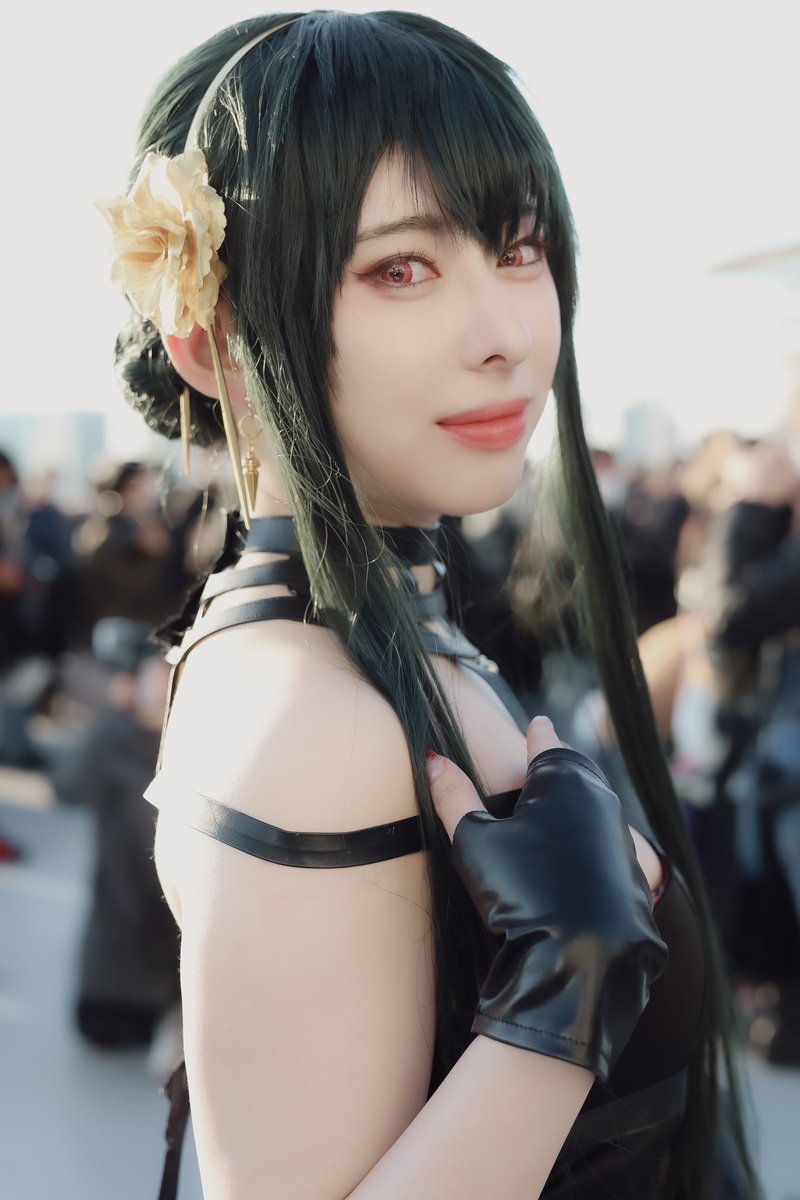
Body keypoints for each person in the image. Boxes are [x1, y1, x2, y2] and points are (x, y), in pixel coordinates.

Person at [97, 12, 760, 1198]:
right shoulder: (318, 721)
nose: (506, 335)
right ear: (213, 340)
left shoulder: (377, 636)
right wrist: (563, 1001)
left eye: (518, 245)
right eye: (399, 268)